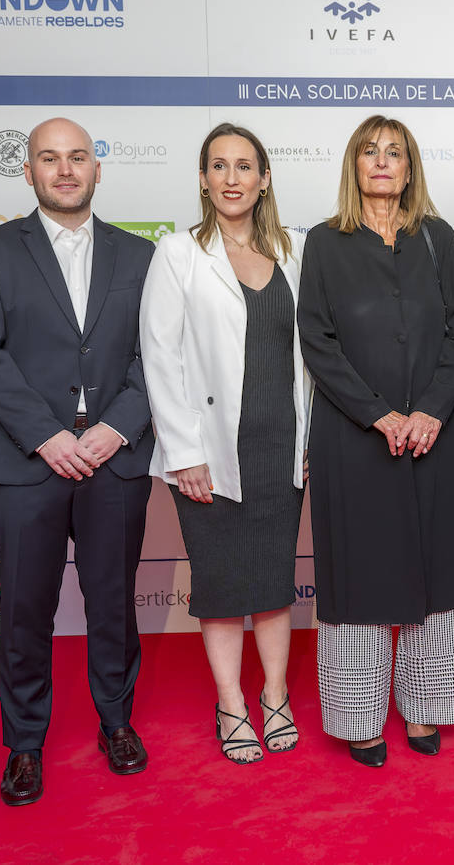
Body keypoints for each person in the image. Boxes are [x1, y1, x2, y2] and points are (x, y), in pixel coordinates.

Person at [0, 117, 156, 806]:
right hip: (25, 462)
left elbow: (156, 356)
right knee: (24, 611)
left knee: (114, 606)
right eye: (49, 158)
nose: (65, 170)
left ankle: (116, 723)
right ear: (29, 171)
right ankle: (25, 745)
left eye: (77, 158)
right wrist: (47, 435)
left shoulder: (140, 255)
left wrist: (115, 429)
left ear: (98, 169)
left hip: (113, 459)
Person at [297, 115, 454, 766]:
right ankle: (359, 718)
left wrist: (430, 410)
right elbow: (316, 339)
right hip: (355, 439)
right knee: (359, 576)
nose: (381, 162)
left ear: (409, 168)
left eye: (393, 152)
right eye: (369, 152)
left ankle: (426, 708)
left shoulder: (436, 236)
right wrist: (379, 414)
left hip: (436, 436)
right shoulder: (323, 241)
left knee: (437, 570)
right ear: (353, 164)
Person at [140, 124, 309, 764]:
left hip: (282, 446)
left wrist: (313, 436)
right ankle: (231, 704)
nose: (232, 178)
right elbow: (160, 359)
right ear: (203, 179)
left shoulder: (293, 251)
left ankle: (276, 697)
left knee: (271, 581)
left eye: (245, 166)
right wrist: (184, 452)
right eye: (219, 166)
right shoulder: (177, 254)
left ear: (265, 177)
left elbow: (310, 356)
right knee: (219, 583)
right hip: (209, 451)